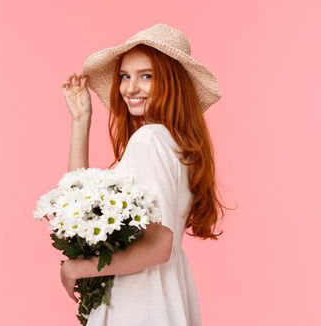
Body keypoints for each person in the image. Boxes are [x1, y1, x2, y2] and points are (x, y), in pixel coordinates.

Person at [59, 23, 231, 325]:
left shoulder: (149, 140)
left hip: (140, 296)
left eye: (146, 76)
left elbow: (158, 246)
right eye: (125, 76)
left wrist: (79, 267)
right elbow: (79, 209)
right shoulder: (176, 142)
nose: (130, 88)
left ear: (171, 82)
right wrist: (80, 119)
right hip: (166, 290)